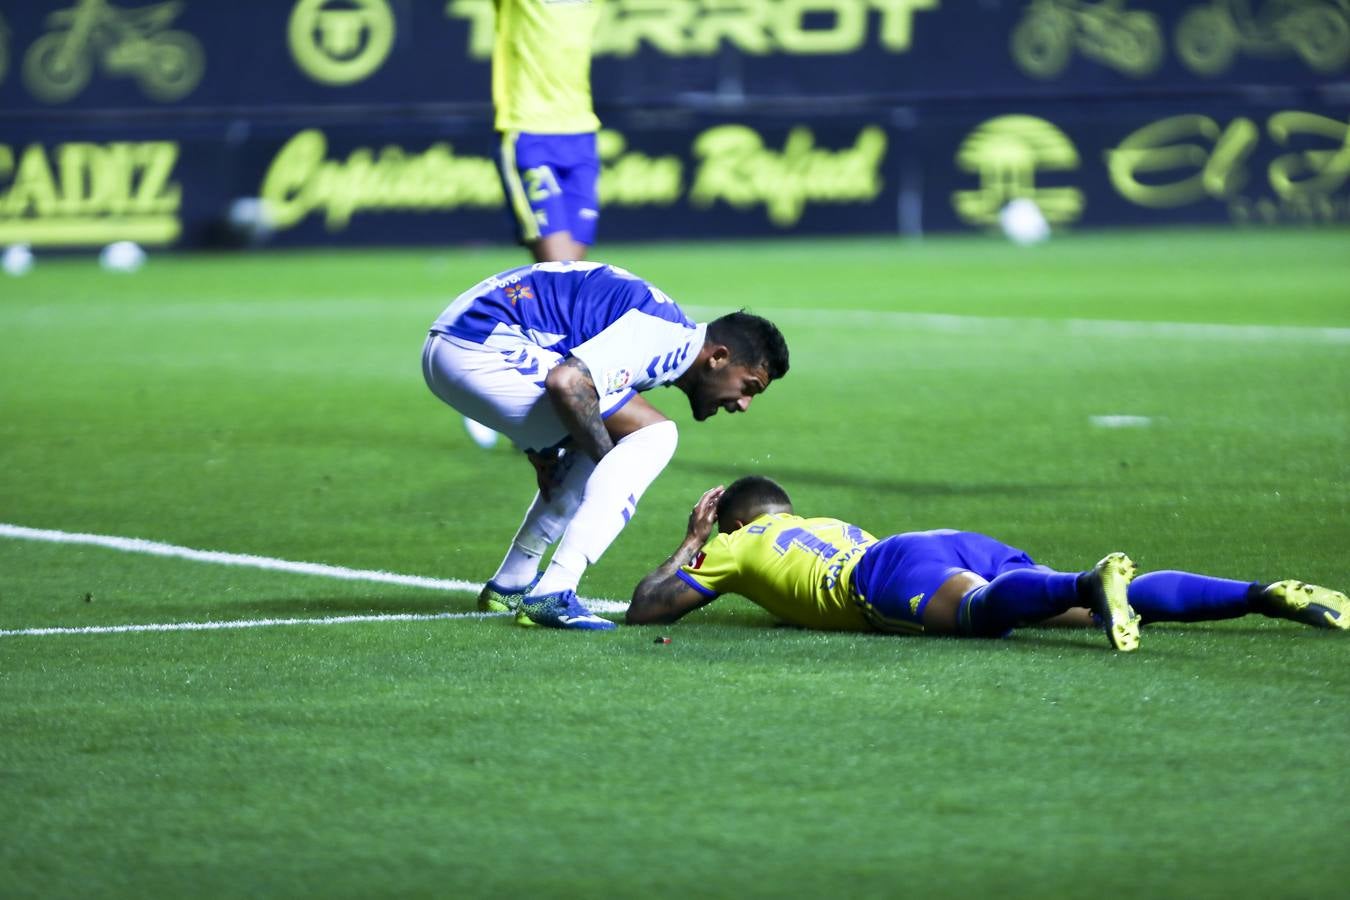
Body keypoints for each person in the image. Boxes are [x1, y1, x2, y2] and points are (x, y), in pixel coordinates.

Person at [424, 262, 789, 630]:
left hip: (459, 345)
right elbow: (567, 382)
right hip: (479, 347)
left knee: (605, 426)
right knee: (654, 435)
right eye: (749, 387)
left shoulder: (665, 330)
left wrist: (545, 448)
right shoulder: (662, 336)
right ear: (718, 357)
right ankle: (554, 589)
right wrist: (607, 462)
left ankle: (511, 583)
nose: (742, 404)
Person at [629, 476, 1349, 650]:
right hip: (928, 541)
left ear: (734, 521)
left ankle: (1087, 580)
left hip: (881, 576)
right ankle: (1259, 595)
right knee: (1077, 611)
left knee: (978, 613)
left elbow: (647, 608)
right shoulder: (826, 521)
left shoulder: (733, 544)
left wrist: (691, 541)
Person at [464, 0, 603, 448]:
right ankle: (502, 392)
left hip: (582, 135)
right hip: (528, 132)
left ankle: (507, 388)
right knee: (560, 276)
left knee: (564, 283)